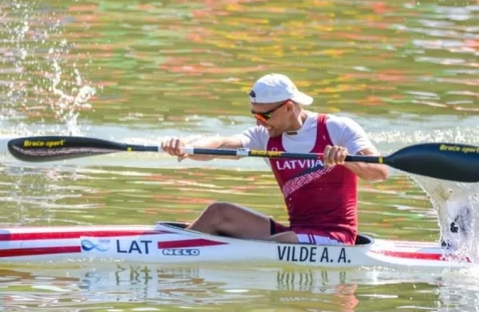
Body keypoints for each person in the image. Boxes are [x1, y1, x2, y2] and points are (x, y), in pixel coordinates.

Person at [161, 73, 389, 246]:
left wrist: (346, 160)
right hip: (294, 233)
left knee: (280, 242)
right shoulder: (265, 135)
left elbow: (380, 172)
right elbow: (221, 144)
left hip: (336, 236)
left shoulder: (337, 128)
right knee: (219, 213)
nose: (259, 122)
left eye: (264, 115)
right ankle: (175, 249)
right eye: (255, 115)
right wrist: (186, 147)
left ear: (289, 107)